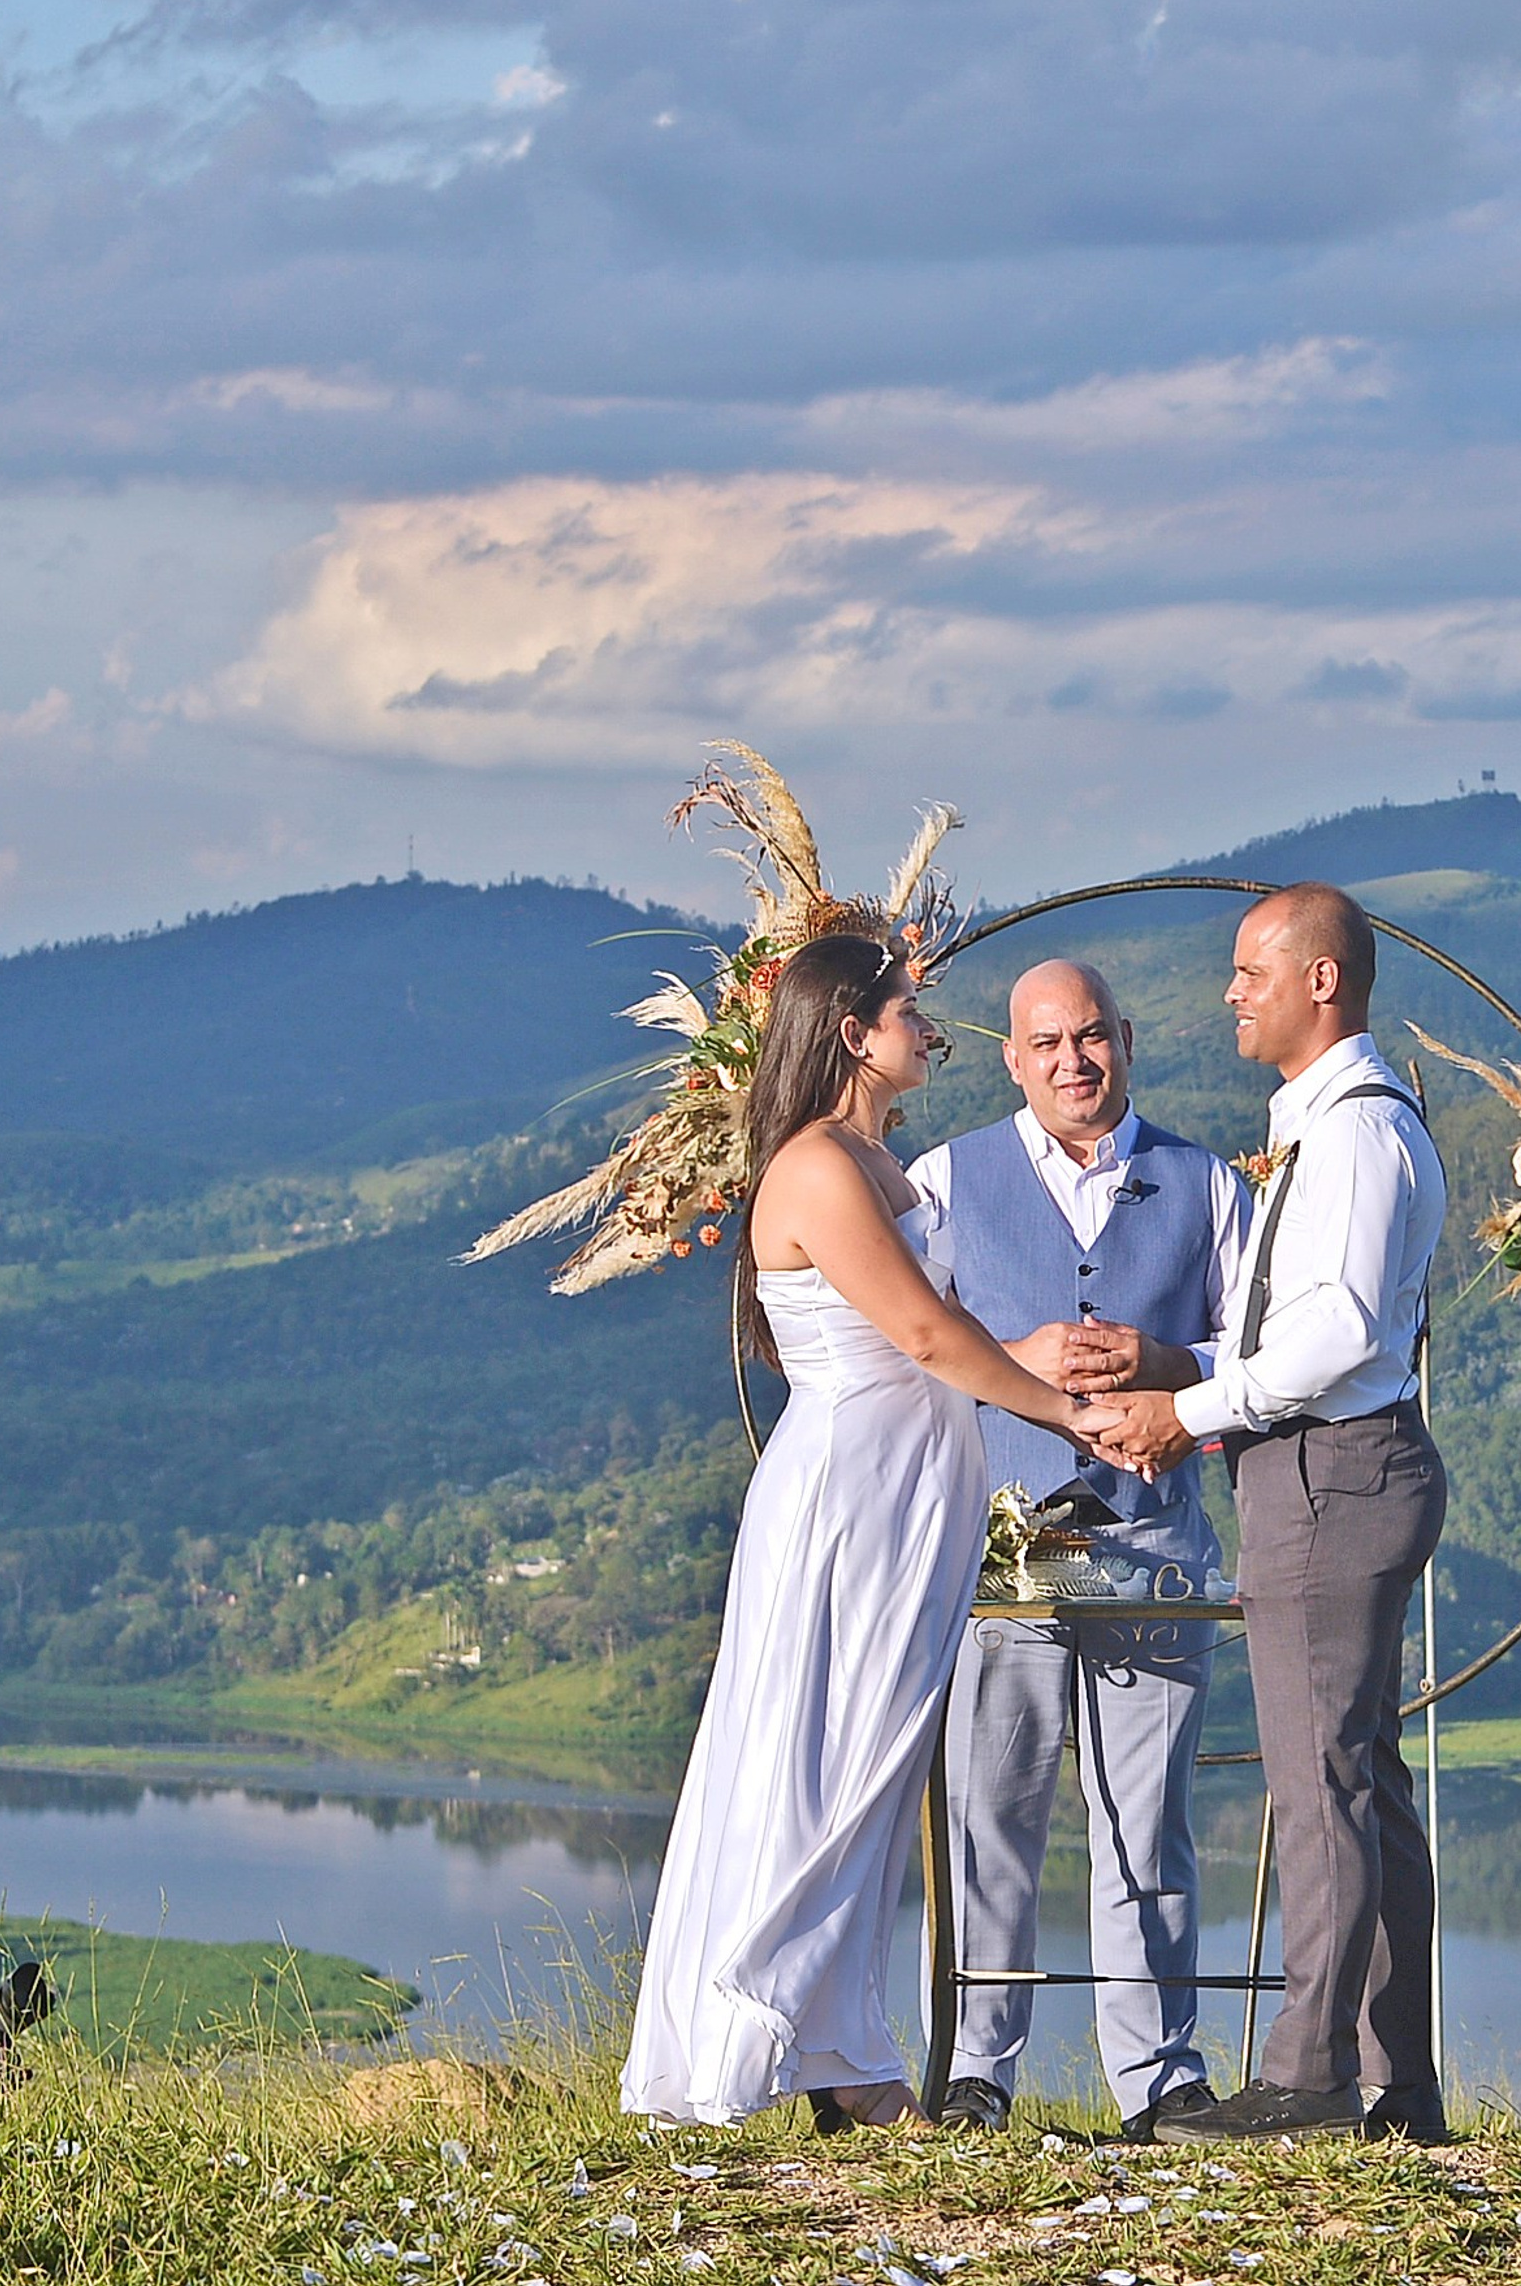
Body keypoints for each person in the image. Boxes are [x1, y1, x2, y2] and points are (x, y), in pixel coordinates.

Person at [619, 932, 1120, 2130]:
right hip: (849, 1501)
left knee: (877, 1766)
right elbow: (929, 1340)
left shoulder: (877, 1161)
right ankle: (763, 2030)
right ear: (854, 1033)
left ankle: (840, 2048)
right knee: (817, 1761)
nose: (925, 1030)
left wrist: (1037, 1357)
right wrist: (1069, 1413)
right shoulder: (816, 1169)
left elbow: (955, 1324)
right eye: (909, 1012)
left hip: (912, 1499)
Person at [1094, 884, 1449, 2143]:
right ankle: (1395, 2079)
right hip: (1333, 1463)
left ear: (1320, 982)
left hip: (1328, 1474)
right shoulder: (1333, 1125)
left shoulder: (1352, 1136)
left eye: (1251, 970)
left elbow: (1341, 1336)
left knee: (1318, 1780)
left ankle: (1307, 2079)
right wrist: (1172, 1366)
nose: (1230, 991)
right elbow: (1299, 1329)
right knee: (1359, 1775)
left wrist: (1182, 1417)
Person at [907, 959, 1247, 2142]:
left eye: (1091, 1037)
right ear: (1011, 1057)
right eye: (1046, 1042)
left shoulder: (1207, 1185)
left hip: (1154, 1543)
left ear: (1127, 1040)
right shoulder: (946, 1178)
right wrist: (1024, 1350)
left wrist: (1162, 1367)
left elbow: (1253, 1357)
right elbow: (909, 1348)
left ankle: (1158, 2079)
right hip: (1004, 1545)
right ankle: (976, 2071)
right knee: (988, 1808)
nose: (1072, 1061)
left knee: (1144, 1819)